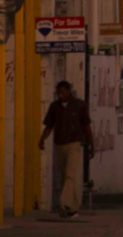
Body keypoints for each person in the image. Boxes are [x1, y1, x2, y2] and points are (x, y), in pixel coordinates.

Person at [38, 81, 93, 219]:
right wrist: (42, 139)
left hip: (74, 143)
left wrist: (91, 144)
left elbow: (86, 126)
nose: (60, 95)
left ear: (69, 91)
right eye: (58, 93)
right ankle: (72, 209)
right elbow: (49, 125)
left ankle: (63, 202)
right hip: (59, 144)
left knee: (70, 174)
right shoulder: (54, 107)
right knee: (66, 178)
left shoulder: (79, 105)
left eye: (63, 92)